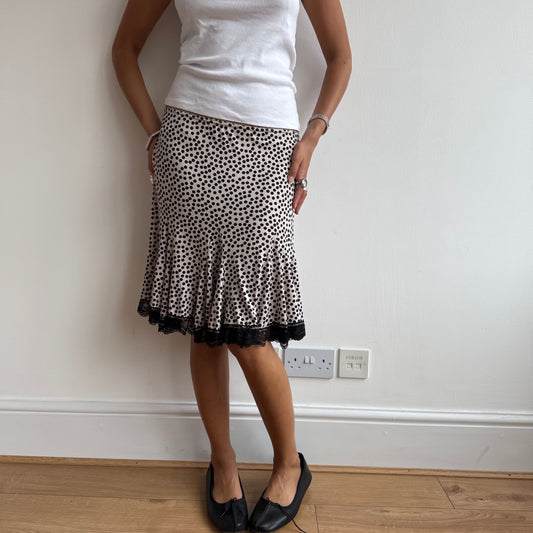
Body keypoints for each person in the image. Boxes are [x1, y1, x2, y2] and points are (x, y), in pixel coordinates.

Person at [112, 0, 351, 531]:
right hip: (187, 145)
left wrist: (313, 134)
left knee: (250, 334)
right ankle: (222, 462)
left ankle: (290, 464)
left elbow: (340, 57)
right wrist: (154, 133)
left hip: (269, 147)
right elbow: (124, 49)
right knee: (204, 328)